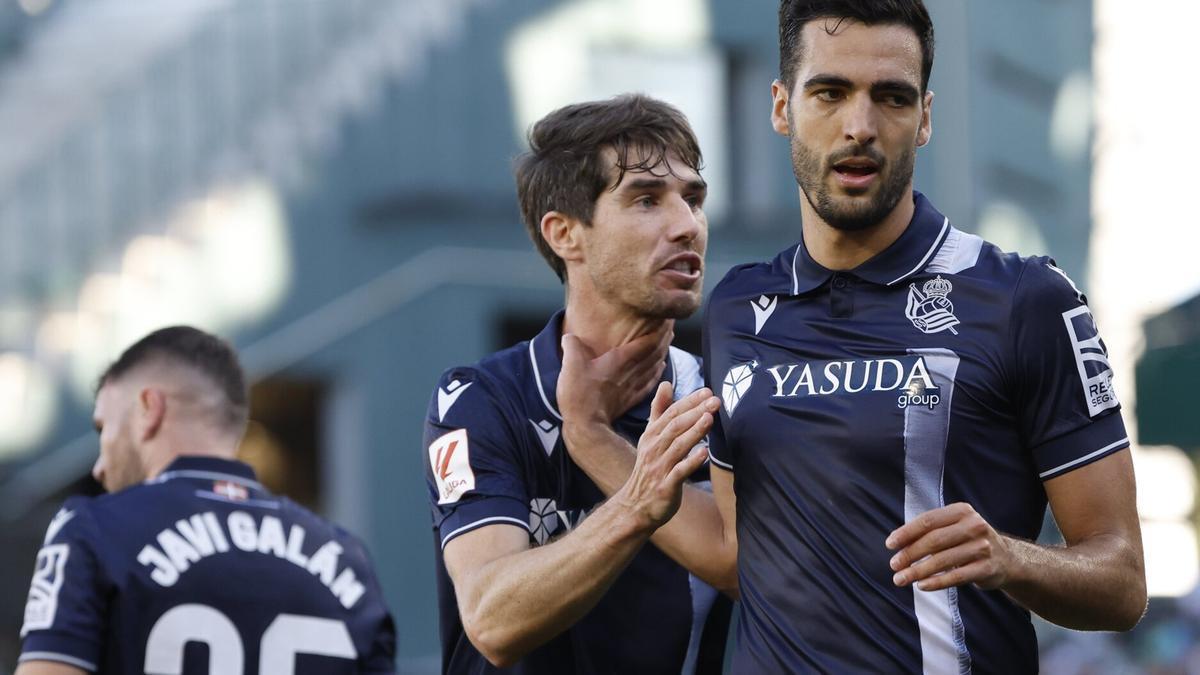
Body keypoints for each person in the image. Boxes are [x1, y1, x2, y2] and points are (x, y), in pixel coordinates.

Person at [562, 1, 1147, 672]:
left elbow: (1123, 581)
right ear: (782, 107)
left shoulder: (1024, 299)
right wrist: (593, 441)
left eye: (891, 98)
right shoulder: (736, 306)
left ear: (924, 117)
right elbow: (734, 552)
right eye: (830, 93)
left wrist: (1010, 558)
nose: (859, 126)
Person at [422, 93, 731, 674]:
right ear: (565, 233)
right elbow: (491, 618)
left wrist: (592, 439)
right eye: (646, 200)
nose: (686, 225)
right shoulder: (481, 399)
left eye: (694, 199)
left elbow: (769, 576)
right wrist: (638, 503)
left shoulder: (724, 399)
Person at [16, 326, 396, 675]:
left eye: (104, 429)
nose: (99, 466)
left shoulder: (92, 528)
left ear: (149, 408)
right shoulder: (346, 559)